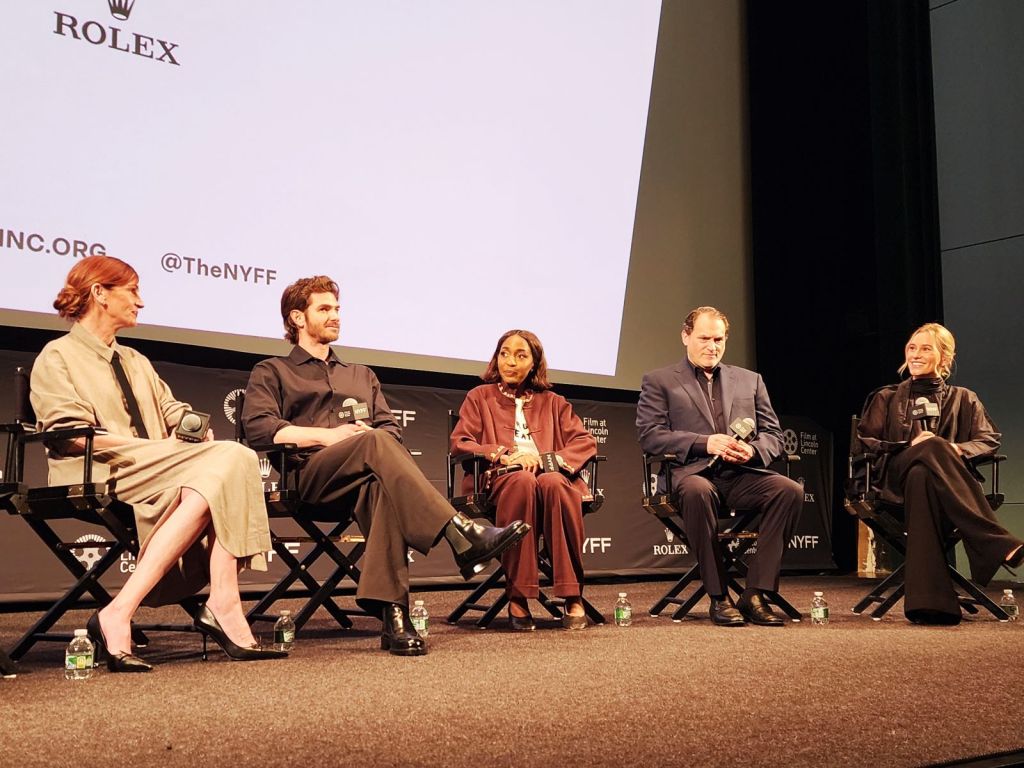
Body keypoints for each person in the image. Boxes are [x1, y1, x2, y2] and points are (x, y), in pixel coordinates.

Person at [242, 276, 530, 656]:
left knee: (380, 489)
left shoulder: (361, 375)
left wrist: (366, 437)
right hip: (310, 480)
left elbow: (390, 428)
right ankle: (459, 531)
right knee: (372, 441)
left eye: (337, 309)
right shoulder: (273, 370)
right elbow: (259, 429)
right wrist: (332, 436)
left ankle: (395, 617)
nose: (335, 316)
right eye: (324, 309)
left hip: (362, 480)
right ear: (297, 317)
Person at [30, 256, 284, 671]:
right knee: (233, 459)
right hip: (98, 467)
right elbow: (70, 434)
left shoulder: (135, 360)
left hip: (156, 466)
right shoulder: (57, 356)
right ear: (99, 293)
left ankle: (121, 611)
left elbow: (171, 409)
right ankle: (223, 602)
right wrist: (151, 449)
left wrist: (191, 429)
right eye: (132, 291)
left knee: (217, 473)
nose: (140, 302)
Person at [636, 306, 802, 627]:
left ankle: (755, 593)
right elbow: (650, 437)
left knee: (789, 491)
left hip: (739, 475)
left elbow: (774, 437)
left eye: (719, 339)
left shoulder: (750, 380)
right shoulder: (659, 381)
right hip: (689, 475)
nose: (712, 346)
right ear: (686, 336)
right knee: (699, 491)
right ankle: (718, 596)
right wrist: (704, 442)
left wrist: (751, 450)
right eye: (704, 338)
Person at [856, 323, 1024, 625]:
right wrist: (911, 445)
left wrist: (955, 450)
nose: (916, 354)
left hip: (942, 491)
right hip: (894, 482)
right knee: (925, 453)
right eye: (912, 347)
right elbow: (867, 443)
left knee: (924, 472)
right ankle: (995, 541)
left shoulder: (964, 398)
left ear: (944, 357)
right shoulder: (886, 397)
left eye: (925, 348)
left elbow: (988, 440)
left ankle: (931, 606)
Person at [450, 330, 598, 631]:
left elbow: (584, 442)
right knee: (522, 482)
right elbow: (461, 442)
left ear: (534, 363)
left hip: (549, 476)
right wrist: (503, 454)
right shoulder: (479, 397)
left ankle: (571, 594)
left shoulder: (554, 402)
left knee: (555, 484)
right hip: (501, 479)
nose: (510, 361)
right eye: (504, 353)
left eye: (520, 355)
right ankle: (518, 594)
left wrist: (548, 461)